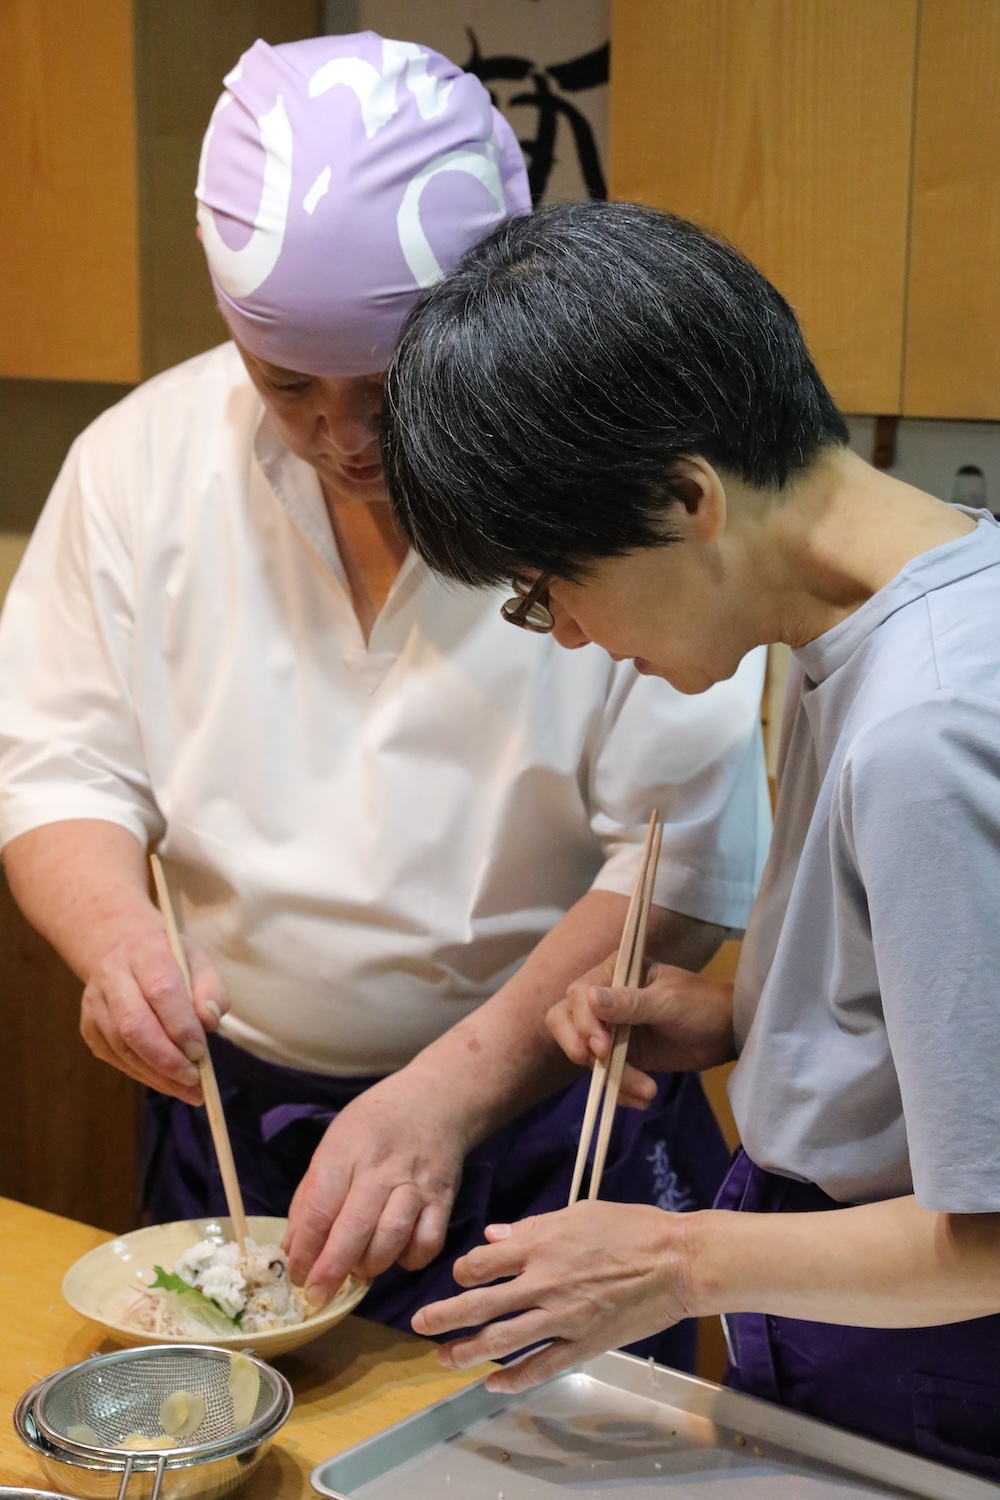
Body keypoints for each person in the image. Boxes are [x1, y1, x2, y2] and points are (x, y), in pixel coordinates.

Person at [0, 43, 770, 1371]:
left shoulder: (603, 479)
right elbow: (58, 759)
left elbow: (680, 854)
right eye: (288, 384)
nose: (346, 437)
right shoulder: (139, 461)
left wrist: (453, 1092)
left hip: (546, 1117)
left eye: (391, 383)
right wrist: (116, 942)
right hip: (238, 1120)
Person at [380, 200, 1000, 1477]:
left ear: (685, 497)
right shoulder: (895, 612)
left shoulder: (928, 729)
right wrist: (747, 1017)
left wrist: (671, 1261)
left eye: (548, 587)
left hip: (937, 1343)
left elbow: (990, 1234)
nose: (564, 633)